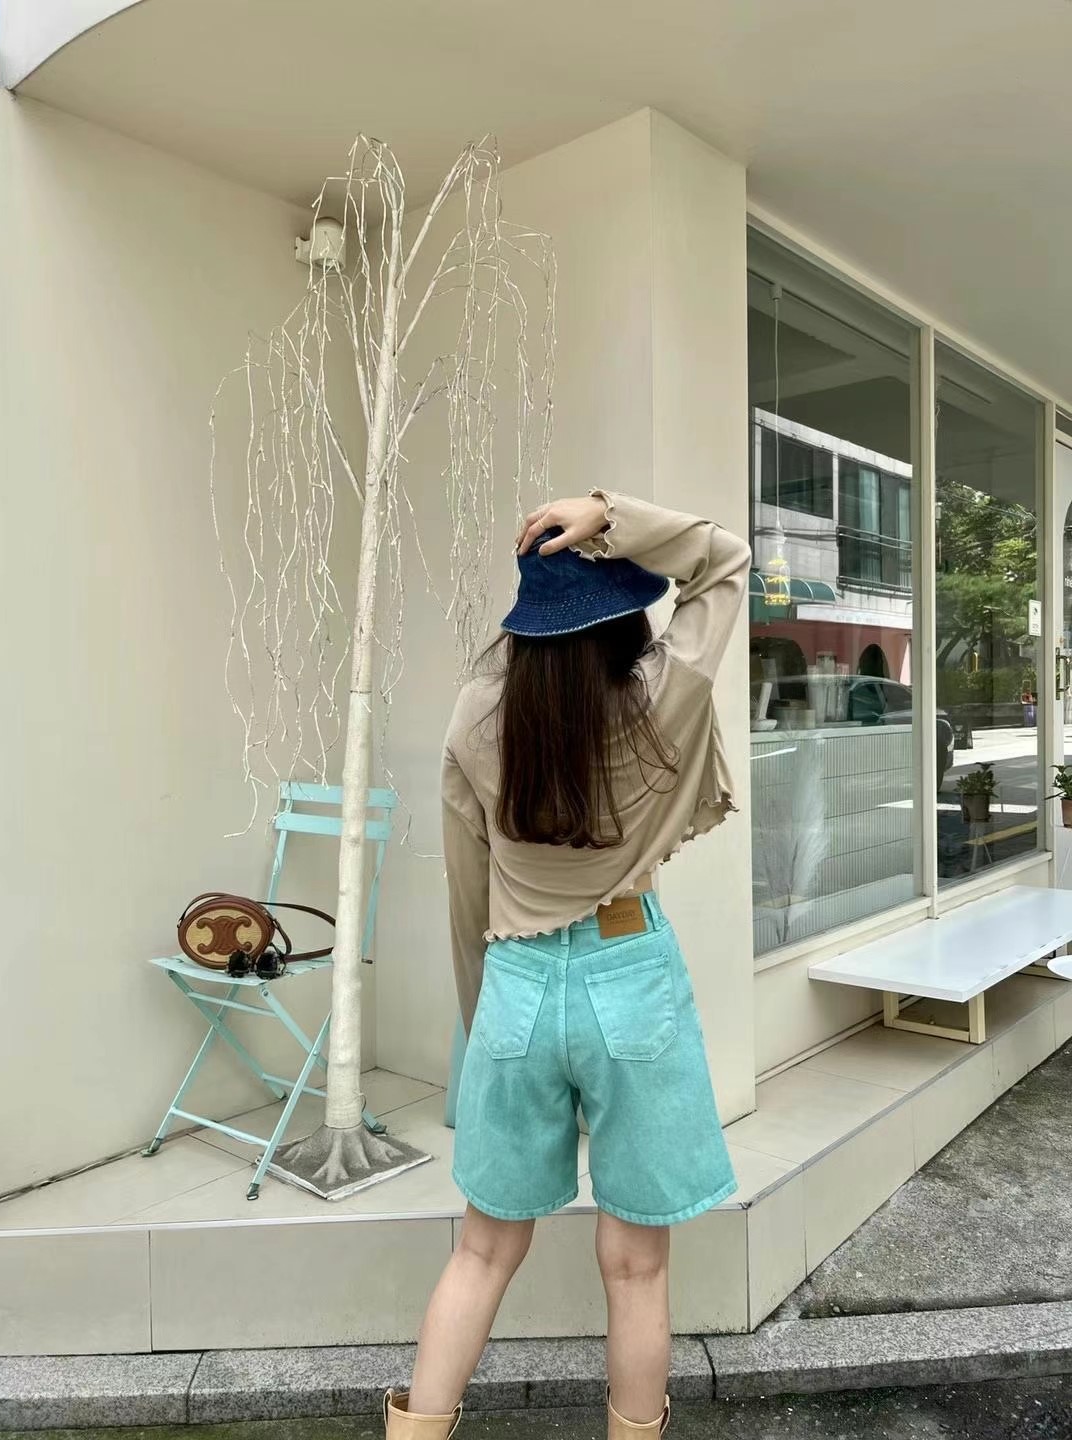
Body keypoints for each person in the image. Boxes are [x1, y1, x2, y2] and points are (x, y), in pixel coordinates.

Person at [384, 490, 751, 1439]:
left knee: (480, 1254)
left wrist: (484, 1025)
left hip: (515, 984)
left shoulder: (474, 714)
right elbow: (722, 559)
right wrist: (606, 511)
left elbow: (467, 893)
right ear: (622, 616)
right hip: (630, 973)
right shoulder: (659, 697)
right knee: (635, 1269)